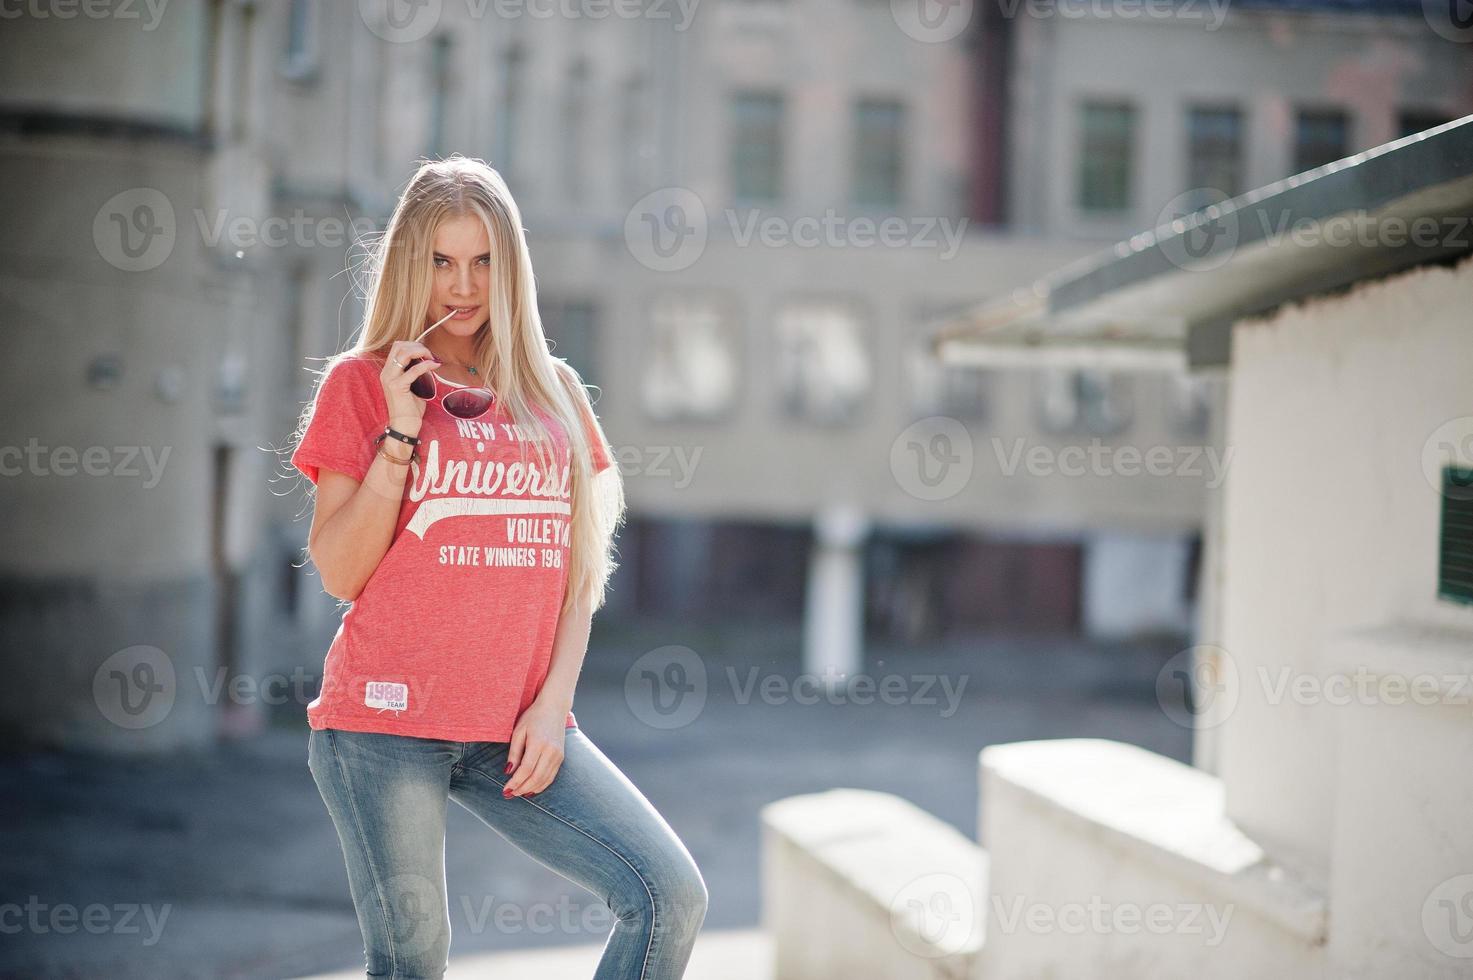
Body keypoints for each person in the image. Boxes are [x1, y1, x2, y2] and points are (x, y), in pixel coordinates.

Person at [285, 155, 708, 979]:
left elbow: (578, 576)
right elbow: (339, 570)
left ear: (510, 267)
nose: (462, 285)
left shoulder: (556, 394)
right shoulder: (365, 384)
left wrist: (552, 709)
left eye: (482, 261)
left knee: (668, 896)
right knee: (414, 961)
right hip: (382, 724)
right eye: (441, 261)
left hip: (514, 728)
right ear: (412, 263)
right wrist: (401, 433)